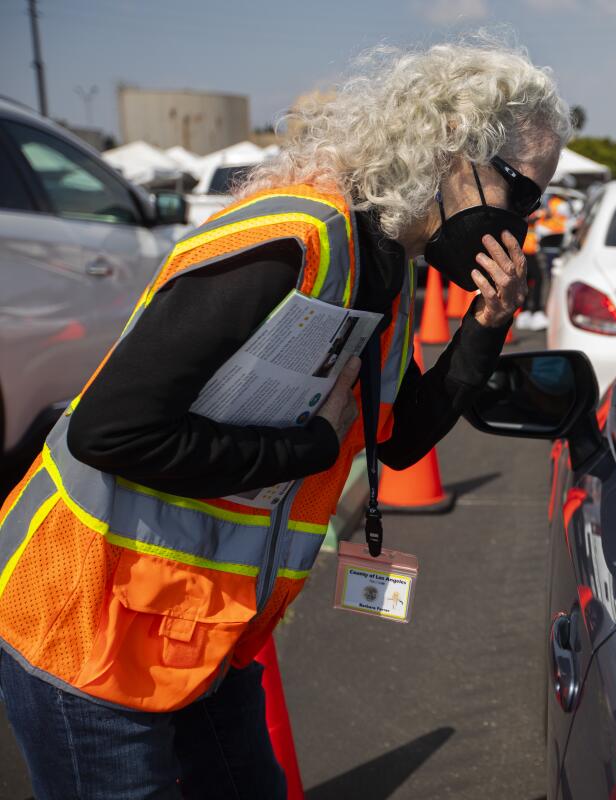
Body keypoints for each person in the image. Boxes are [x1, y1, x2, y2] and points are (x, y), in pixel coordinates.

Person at [0, 38, 571, 798]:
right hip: (87, 626)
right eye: (521, 193)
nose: (524, 221)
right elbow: (111, 431)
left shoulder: (387, 263)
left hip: (199, 631)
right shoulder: (294, 241)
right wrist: (307, 447)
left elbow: (396, 442)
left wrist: (485, 326)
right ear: (454, 151)